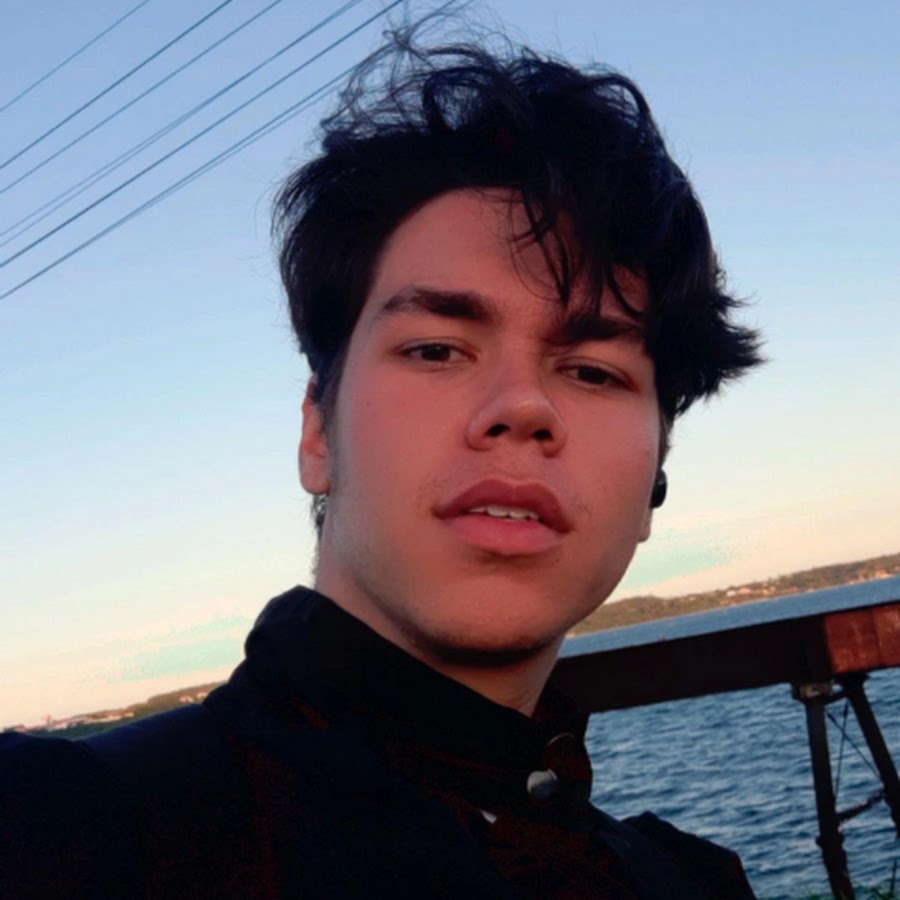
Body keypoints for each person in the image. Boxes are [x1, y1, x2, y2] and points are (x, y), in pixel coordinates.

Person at [1, 30, 762, 899]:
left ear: (655, 476)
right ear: (318, 434)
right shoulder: (61, 827)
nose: (522, 406)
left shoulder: (690, 883)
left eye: (593, 371)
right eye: (436, 349)